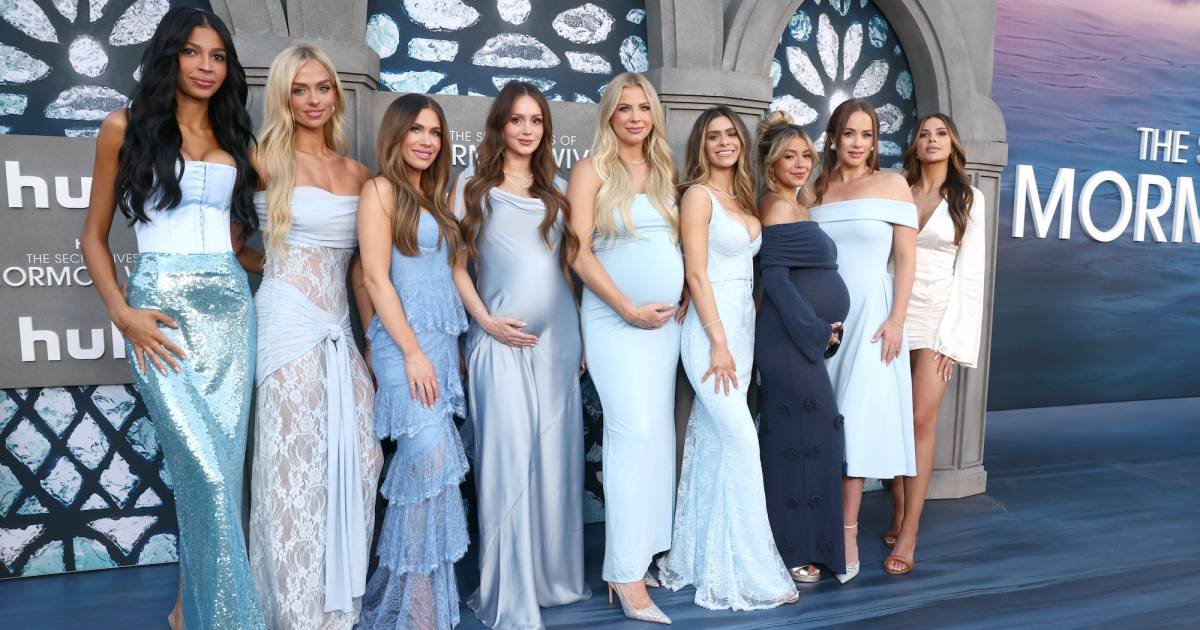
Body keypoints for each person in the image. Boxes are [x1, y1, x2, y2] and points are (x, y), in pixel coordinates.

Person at [78, 7, 265, 629]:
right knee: (205, 477)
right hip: (160, 318)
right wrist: (121, 311)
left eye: (218, 56)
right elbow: (93, 236)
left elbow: (241, 242)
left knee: (220, 479)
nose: (206, 67)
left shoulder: (238, 137)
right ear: (169, 56)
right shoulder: (124, 126)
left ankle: (188, 611)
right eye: (192, 52)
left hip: (230, 314)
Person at [245, 44, 383, 627]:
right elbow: (230, 246)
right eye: (299, 90)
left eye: (322, 88)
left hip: (338, 329)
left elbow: (363, 272)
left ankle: (337, 603)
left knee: (362, 457)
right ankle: (293, 611)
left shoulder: (358, 173)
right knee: (292, 463)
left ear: (336, 94)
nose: (312, 100)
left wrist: (373, 342)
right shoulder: (260, 160)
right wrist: (283, 274)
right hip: (286, 322)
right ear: (283, 96)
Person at [450, 80, 592, 628]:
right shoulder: (471, 187)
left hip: (558, 341)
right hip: (497, 336)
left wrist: (580, 335)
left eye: (536, 121)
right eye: (517, 120)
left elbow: (566, 272)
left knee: (555, 460)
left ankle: (551, 581)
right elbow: (456, 268)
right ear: (500, 126)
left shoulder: (558, 191)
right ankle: (509, 592)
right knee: (506, 459)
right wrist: (484, 322)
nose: (527, 129)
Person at [654, 106, 799, 610]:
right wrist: (717, 340)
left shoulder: (742, 196)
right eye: (714, 136)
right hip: (708, 334)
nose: (723, 142)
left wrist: (742, 329)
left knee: (715, 443)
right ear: (702, 144)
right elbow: (696, 273)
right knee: (741, 442)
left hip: (742, 331)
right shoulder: (697, 195)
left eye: (731, 134)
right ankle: (755, 571)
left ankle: (700, 558)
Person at [565, 72, 682, 625]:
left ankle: (647, 550)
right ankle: (623, 573)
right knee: (630, 434)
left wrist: (683, 292)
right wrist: (628, 309)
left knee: (656, 437)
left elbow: (676, 242)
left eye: (643, 107)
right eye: (624, 108)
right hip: (613, 322)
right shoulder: (590, 171)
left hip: (665, 328)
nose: (635, 117)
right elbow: (579, 254)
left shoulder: (665, 171)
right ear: (609, 115)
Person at [357, 94, 469, 629]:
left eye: (435, 132)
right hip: (405, 349)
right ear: (396, 134)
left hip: (440, 350)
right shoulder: (379, 191)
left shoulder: (438, 199)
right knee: (429, 460)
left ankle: (414, 597)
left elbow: (447, 276)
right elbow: (374, 278)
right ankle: (418, 605)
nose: (426, 140)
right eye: (416, 130)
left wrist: (453, 348)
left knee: (436, 474)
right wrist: (411, 353)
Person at [808, 98, 918, 583]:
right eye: (849, 133)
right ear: (833, 138)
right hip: (821, 322)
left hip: (873, 320)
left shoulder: (893, 184)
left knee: (853, 425)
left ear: (875, 140)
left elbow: (907, 258)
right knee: (822, 427)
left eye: (867, 134)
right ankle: (815, 532)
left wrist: (897, 319)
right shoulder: (814, 189)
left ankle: (847, 533)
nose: (858, 143)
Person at [883, 113, 986, 575]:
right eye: (924, 134)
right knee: (893, 420)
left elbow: (972, 275)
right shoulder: (898, 189)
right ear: (915, 144)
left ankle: (910, 531)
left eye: (941, 133)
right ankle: (898, 508)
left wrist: (954, 341)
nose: (932, 139)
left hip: (937, 320)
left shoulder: (969, 199)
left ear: (953, 143)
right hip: (892, 313)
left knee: (921, 420)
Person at [753, 111, 850, 585]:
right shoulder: (776, 206)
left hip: (801, 340)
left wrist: (825, 331)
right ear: (771, 164)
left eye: (806, 155)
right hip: (786, 342)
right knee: (798, 442)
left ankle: (810, 545)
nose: (800, 163)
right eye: (788, 156)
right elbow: (776, 282)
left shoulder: (796, 205)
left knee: (813, 437)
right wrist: (816, 332)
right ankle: (791, 550)